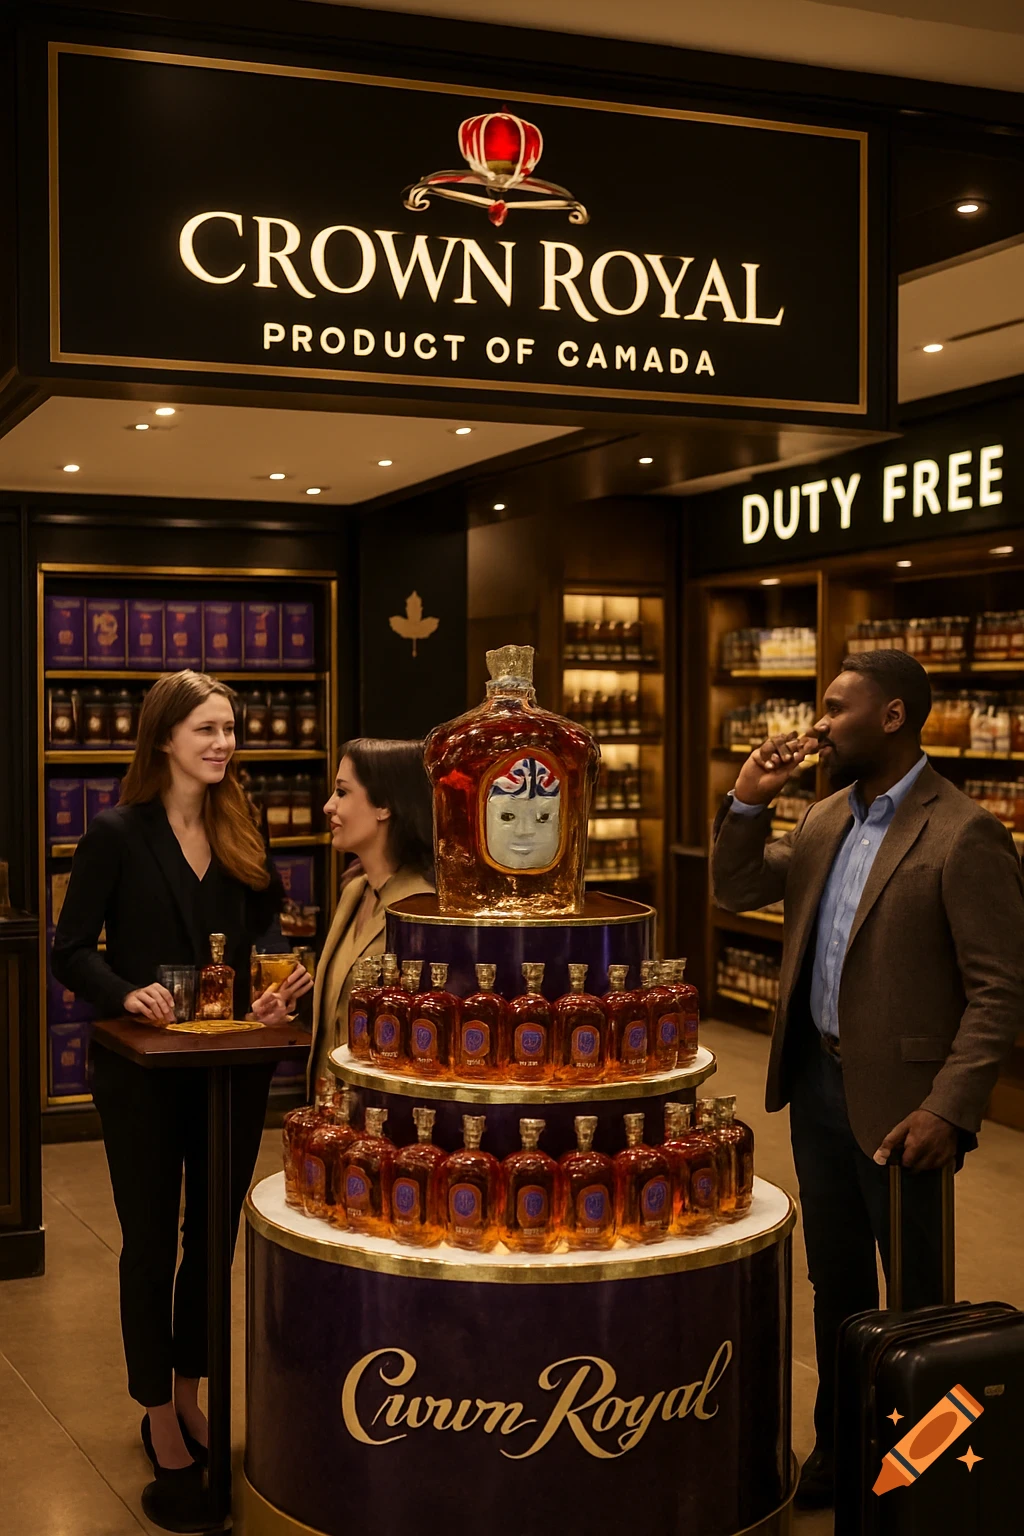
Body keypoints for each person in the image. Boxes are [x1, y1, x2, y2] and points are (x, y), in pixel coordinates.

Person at [711, 649, 1024, 1510]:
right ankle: (845, 1449)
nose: (818, 725)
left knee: (920, 1304)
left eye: (836, 708)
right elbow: (736, 883)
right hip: (817, 1085)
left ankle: (921, 1472)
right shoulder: (822, 820)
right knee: (837, 1282)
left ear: (892, 717)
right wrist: (747, 799)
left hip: (906, 1112)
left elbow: (1000, 990)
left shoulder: (963, 831)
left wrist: (948, 1109)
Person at [52, 671, 312, 1531]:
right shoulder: (116, 835)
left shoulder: (243, 825)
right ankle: (155, 1408)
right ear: (165, 738)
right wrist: (125, 992)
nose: (223, 743)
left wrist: (276, 982)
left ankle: (194, 1390)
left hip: (229, 1067)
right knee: (149, 1242)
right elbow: (69, 951)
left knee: (213, 1238)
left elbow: (269, 925)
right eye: (206, 728)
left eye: (230, 728)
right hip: (142, 1075)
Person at [308, 738, 434, 1089]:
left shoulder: (421, 910)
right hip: (329, 1112)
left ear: (385, 806)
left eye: (342, 793)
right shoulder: (354, 892)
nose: (328, 806)